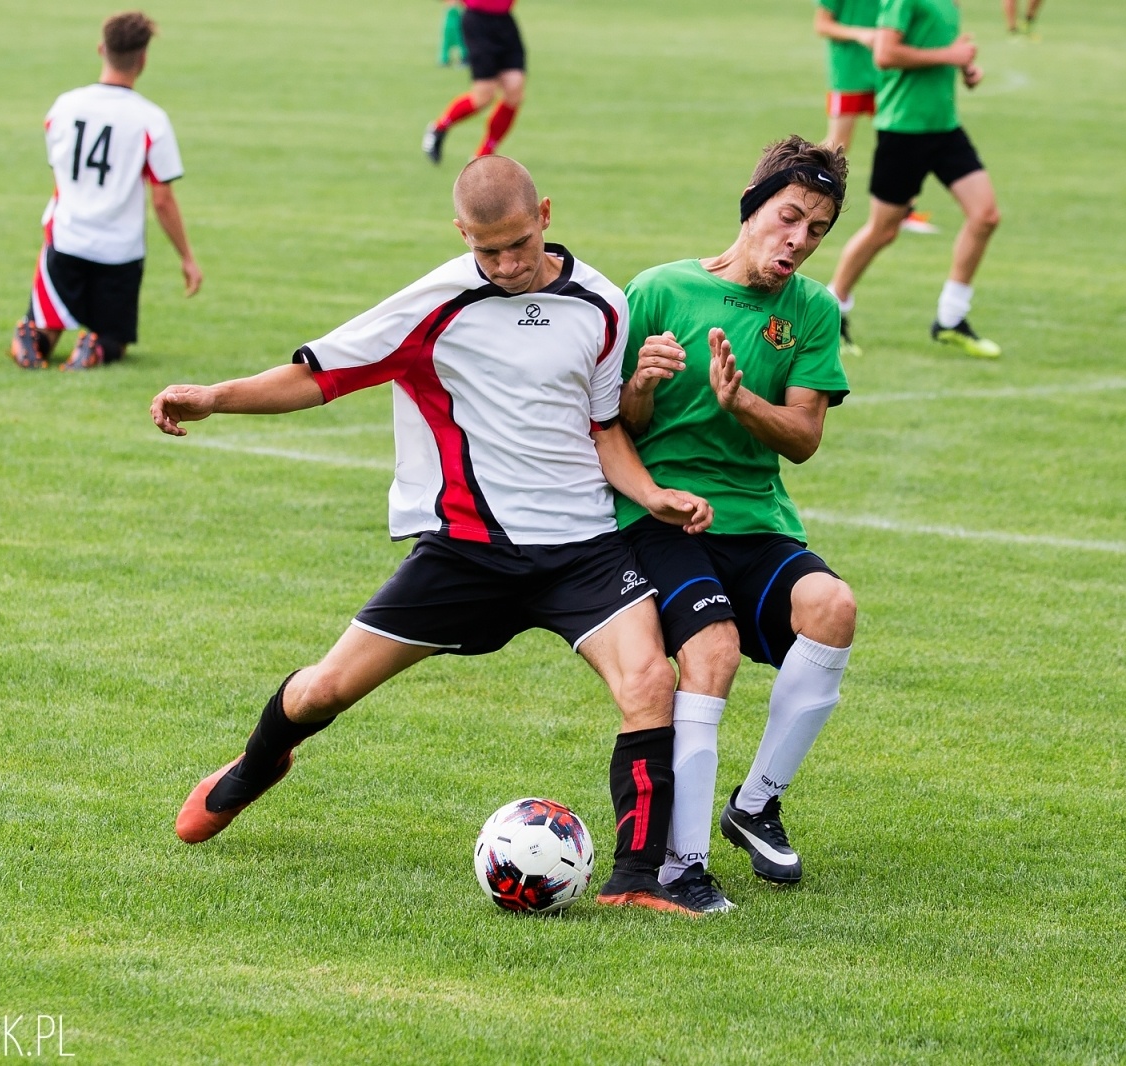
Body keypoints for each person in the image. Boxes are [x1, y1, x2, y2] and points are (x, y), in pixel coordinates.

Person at [151, 156, 719, 916]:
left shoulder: (603, 305)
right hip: (466, 551)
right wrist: (215, 397)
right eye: (489, 250)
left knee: (650, 682)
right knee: (325, 688)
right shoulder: (436, 303)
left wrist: (651, 495)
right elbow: (319, 374)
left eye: (519, 243)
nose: (508, 264)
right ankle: (256, 766)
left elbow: (605, 428)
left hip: (583, 550)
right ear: (462, 235)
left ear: (545, 214)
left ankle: (635, 881)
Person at [617, 136, 858, 912]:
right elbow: (608, 422)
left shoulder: (814, 311)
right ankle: (680, 865)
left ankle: (754, 805)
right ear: (752, 209)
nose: (799, 240)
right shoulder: (657, 290)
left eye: (817, 229)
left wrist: (741, 401)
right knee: (712, 651)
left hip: (755, 520)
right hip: (660, 517)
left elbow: (806, 438)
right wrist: (643, 385)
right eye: (789, 217)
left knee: (834, 607)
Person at [9, 11, 201, 371]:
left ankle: (32, 340)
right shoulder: (150, 119)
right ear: (143, 59)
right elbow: (161, 198)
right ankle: (96, 344)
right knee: (115, 338)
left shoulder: (64, 107)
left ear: (101, 49)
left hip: (66, 239)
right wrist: (187, 258)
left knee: (47, 325)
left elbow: (60, 171)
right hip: (119, 251)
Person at [827, 0, 1003, 359]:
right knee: (883, 230)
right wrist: (949, 56)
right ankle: (833, 311)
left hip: (945, 128)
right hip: (903, 131)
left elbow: (938, 52)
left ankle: (951, 320)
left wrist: (965, 68)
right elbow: (885, 54)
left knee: (985, 216)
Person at [812, 0, 937, 242]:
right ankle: (797, 185)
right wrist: (859, 33)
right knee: (839, 143)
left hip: (888, 73)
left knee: (899, 137)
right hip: (848, 71)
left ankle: (903, 211)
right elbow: (822, 25)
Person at [422, 0, 526, 164]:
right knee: (484, 96)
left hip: (505, 22)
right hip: (478, 23)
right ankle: (439, 128)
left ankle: (483, 154)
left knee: (514, 90)